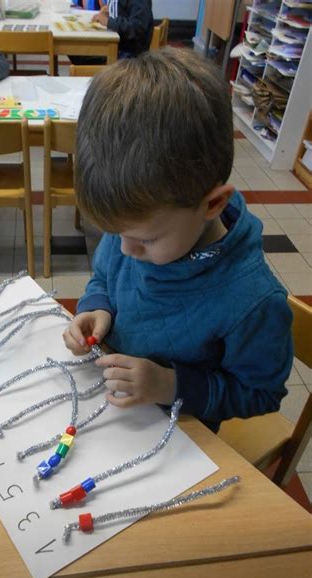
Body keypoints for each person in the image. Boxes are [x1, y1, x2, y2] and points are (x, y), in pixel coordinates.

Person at [63, 49, 293, 432]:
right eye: (117, 234)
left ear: (213, 203)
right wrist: (97, 306)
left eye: (145, 240)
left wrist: (170, 385)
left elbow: (261, 393)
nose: (125, 250)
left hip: (184, 432)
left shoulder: (254, 302)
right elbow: (105, 275)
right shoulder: (137, 226)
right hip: (117, 415)